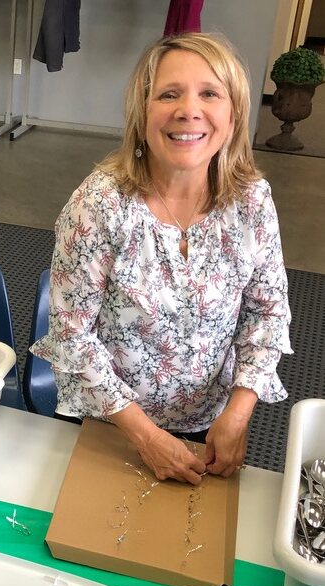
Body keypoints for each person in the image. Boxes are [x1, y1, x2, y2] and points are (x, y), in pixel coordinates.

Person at [31, 32, 292, 484]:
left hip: (211, 422)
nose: (189, 110)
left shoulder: (251, 202)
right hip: (113, 421)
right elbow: (72, 337)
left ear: (233, 116)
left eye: (210, 93)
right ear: (142, 114)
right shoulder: (99, 205)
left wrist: (239, 411)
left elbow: (266, 314)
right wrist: (146, 437)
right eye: (169, 94)